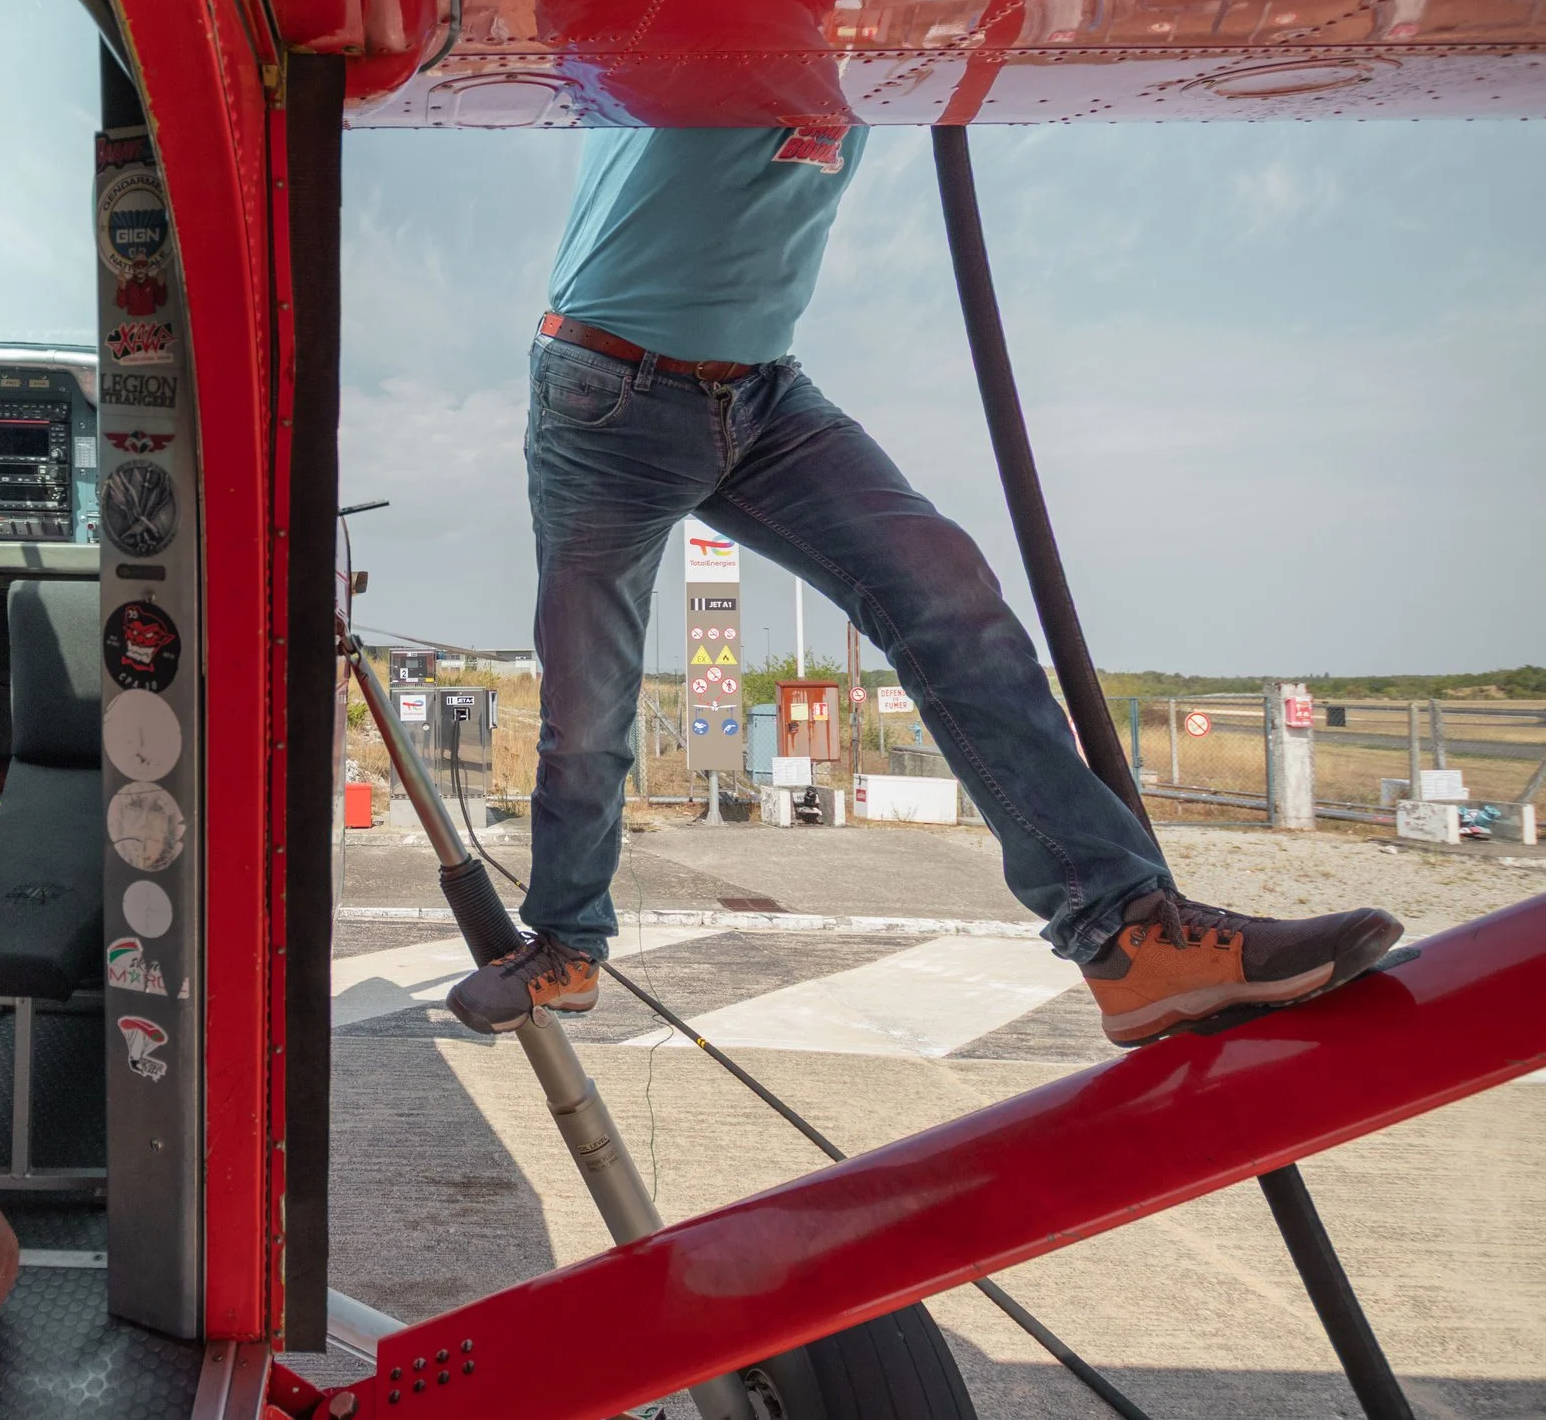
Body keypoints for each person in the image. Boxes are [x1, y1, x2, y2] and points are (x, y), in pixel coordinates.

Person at [446, 127, 1401, 1047]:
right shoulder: (694, 30)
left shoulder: (866, 48)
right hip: (607, 399)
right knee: (591, 705)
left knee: (950, 596)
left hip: (763, 395)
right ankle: (568, 944)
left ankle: (1127, 937)